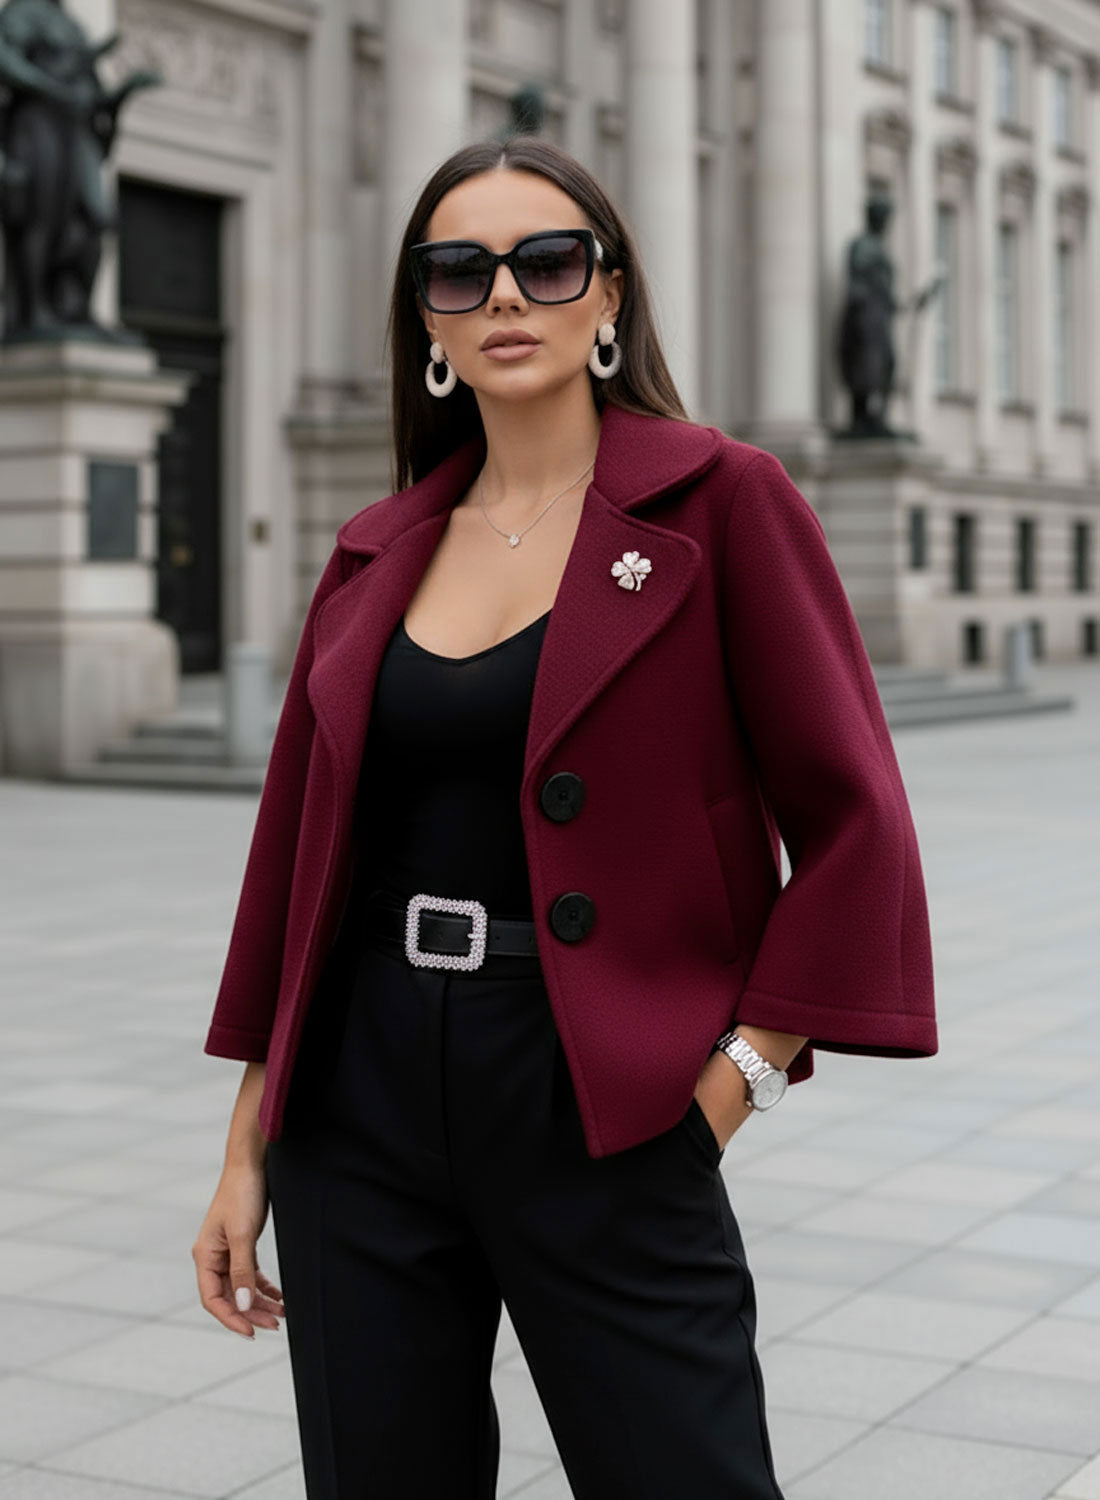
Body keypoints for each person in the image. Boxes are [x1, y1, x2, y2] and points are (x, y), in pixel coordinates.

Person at [192, 137, 937, 1499]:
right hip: (356, 1108)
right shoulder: (372, 552)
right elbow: (296, 867)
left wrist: (731, 1093)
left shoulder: (724, 506)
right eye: (460, 273)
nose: (506, 299)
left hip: (607, 1098)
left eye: (547, 262)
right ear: (426, 321)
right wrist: (249, 1149)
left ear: (609, 297)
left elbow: (856, 822)